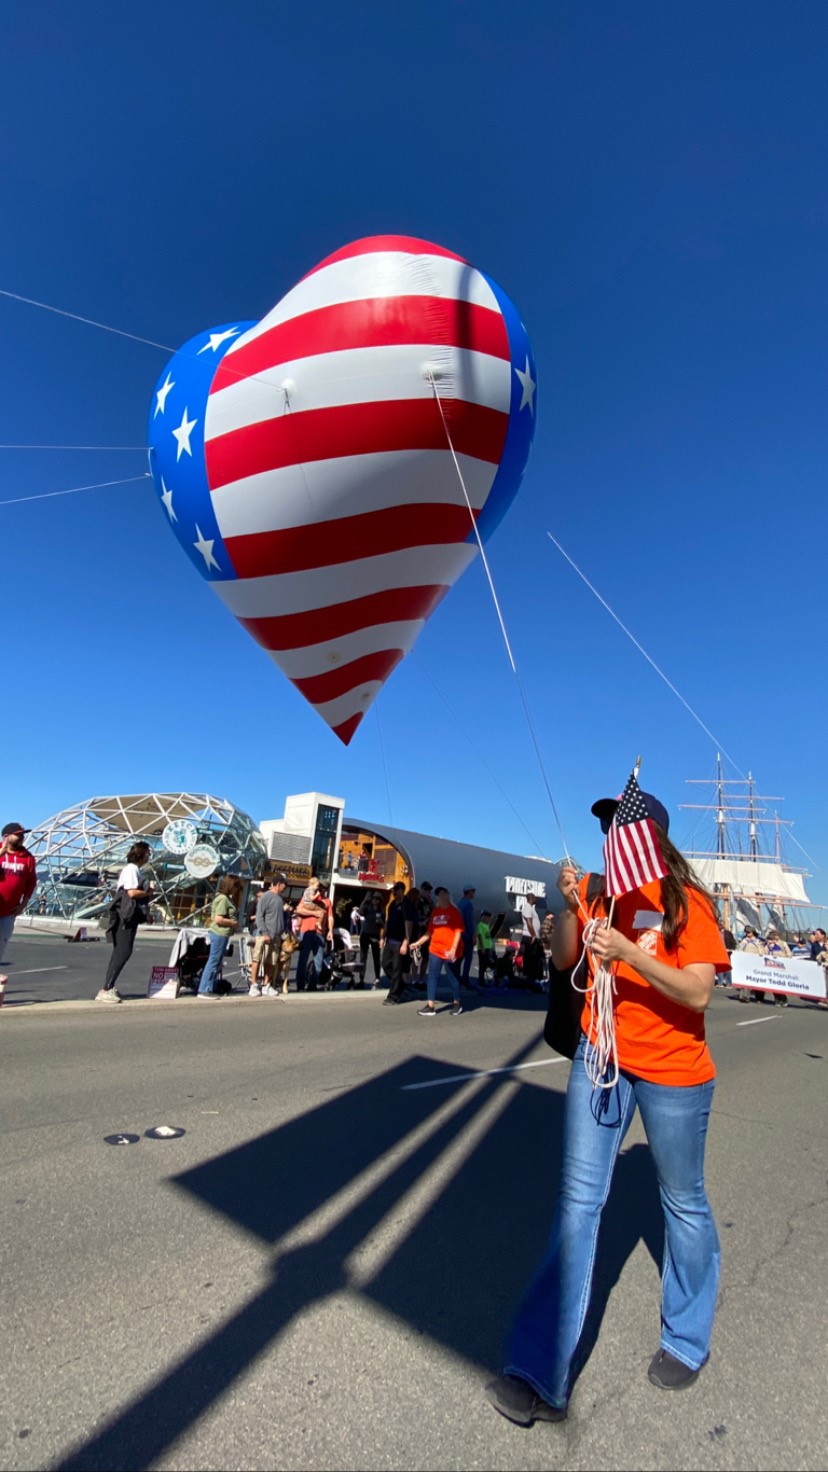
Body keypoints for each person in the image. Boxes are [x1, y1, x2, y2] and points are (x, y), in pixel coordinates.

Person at [486, 789, 729, 1427]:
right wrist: (569, 905)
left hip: (674, 1074)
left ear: (650, 837)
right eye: (604, 828)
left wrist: (631, 953)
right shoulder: (603, 892)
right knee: (577, 1201)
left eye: (619, 827)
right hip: (601, 1061)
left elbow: (698, 993)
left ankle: (685, 1336)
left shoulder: (687, 904)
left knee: (683, 1202)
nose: (608, 838)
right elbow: (567, 955)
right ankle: (540, 1370)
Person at [95, 841, 153, 1003]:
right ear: (140, 854)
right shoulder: (132, 869)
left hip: (128, 915)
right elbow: (132, 893)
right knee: (123, 951)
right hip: (125, 915)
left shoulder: (134, 870)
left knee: (121, 951)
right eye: (147, 852)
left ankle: (110, 986)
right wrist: (148, 891)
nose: (149, 855)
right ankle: (106, 989)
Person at [410, 885, 465, 1017]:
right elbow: (430, 932)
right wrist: (417, 943)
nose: (441, 895)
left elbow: (458, 931)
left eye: (443, 892)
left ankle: (457, 1002)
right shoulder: (435, 912)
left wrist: (453, 949)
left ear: (448, 895)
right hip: (435, 949)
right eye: (439, 893)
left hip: (450, 951)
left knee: (452, 977)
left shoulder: (453, 911)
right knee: (432, 976)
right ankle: (430, 1005)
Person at [0, 822, 38, 984]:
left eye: (23, 835)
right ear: (6, 837)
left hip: (9, 911)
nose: (22, 838)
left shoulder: (27, 857)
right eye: (18, 835)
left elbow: (31, 882)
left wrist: (24, 903)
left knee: (1, 944)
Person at [198, 876, 238, 998]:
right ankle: (204, 989)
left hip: (222, 934)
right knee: (213, 961)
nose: (237, 890)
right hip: (219, 933)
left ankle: (209, 986)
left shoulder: (225, 898)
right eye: (236, 886)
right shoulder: (223, 899)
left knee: (216, 962)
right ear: (231, 886)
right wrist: (232, 923)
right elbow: (219, 919)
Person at [249, 873, 287, 997]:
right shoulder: (266, 897)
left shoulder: (280, 899)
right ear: (278, 884)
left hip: (276, 936)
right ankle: (254, 985)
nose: (285, 887)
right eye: (283, 885)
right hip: (264, 936)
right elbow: (259, 916)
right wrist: (265, 933)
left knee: (271, 962)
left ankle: (266, 985)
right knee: (257, 960)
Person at [381, 882, 417, 1005]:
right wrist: (383, 937)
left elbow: (409, 925)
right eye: (393, 890)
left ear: (401, 890)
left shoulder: (407, 906)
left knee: (397, 969)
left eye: (396, 890)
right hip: (389, 940)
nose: (393, 892)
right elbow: (388, 922)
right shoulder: (392, 905)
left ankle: (393, 996)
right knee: (386, 964)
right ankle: (402, 985)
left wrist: (405, 943)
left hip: (399, 942)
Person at [295, 880, 333, 991]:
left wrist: (330, 930)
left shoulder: (327, 902)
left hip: (320, 933)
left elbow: (330, 917)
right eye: (319, 887)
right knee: (303, 960)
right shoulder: (307, 897)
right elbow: (299, 909)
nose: (320, 889)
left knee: (319, 962)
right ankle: (300, 986)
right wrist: (314, 913)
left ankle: (312, 985)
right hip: (306, 931)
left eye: (323, 888)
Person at [358, 890, 386, 987]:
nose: (375, 900)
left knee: (376, 958)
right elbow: (360, 912)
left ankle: (377, 979)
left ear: (379, 900)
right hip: (365, 935)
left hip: (375, 935)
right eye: (374, 898)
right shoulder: (367, 908)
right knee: (363, 958)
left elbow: (384, 925)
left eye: (377, 899)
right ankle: (361, 980)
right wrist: (365, 900)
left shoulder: (381, 911)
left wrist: (381, 922)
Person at [736, 926, 768, 1004]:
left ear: (753, 933)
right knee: (745, 980)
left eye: (749, 932)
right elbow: (740, 950)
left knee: (758, 980)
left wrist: (761, 955)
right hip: (746, 963)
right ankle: (744, 997)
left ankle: (759, 997)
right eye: (746, 932)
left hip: (757, 963)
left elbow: (762, 952)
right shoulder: (744, 941)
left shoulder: (758, 941)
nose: (747, 934)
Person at [520, 890, 545, 982]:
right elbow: (529, 922)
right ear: (531, 898)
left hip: (534, 936)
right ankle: (530, 977)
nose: (536, 899)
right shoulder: (527, 907)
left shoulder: (531, 908)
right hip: (529, 936)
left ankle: (535, 977)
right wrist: (533, 935)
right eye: (534, 898)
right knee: (530, 957)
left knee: (535, 958)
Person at [457, 885, 478, 990]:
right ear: (469, 892)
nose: (474, 893)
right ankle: (465, 979)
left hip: (460, 934)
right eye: (473, 891)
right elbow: (469, 920)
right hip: (466, 934)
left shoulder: (460, 903)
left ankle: (457, 978)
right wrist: (473, 934)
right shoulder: (468, 904)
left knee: (459, 958)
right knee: (468, 958)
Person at [765, 928, 791, 1008]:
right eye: (773, 934)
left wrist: (786, 961)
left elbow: (789, 954)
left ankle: (783, 999)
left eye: (775, 934)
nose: (774, 936)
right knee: (773, 984)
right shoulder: (768, 945)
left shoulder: (783, 943)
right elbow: (764, 954)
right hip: (771, 966)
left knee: (780, 984)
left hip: (781, 966)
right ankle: (777, 998)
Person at [476, 910, 498, 986]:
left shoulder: (486, 926)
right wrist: (482, 947)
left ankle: (495, 980)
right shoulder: (481, 925)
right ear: (483, 917)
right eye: (487, 917)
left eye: (489, 917)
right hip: (483, 948)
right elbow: (479, 936)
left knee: (490, 964)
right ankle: (481, 982)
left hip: (488, 948)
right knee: (482, 966)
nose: (488, 919)